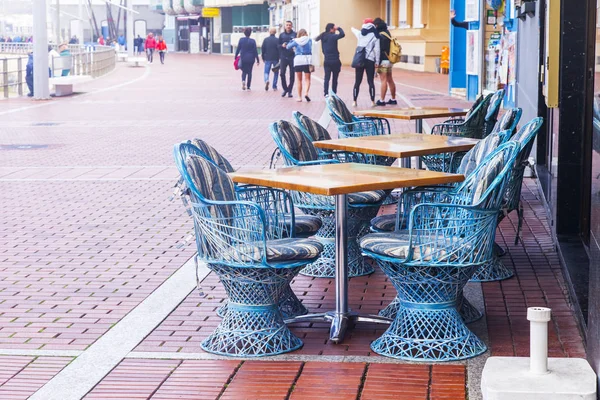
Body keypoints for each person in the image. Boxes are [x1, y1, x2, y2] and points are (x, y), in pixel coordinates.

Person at [351, 18, 380, 107]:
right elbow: (377, 50)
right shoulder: (375, 36)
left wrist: (352, 27)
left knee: (357, 81)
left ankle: (354, 101)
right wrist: (377, 62)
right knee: (370, 81)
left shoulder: (360, 34)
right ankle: (372, 101)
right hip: (370, 60)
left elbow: (353, 29)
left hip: (360, 60)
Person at [315, 23, 345, 97]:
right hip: (335, 60)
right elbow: (342, 34)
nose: (335, 30)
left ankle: (326, 93)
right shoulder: (333, 36)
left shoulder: (323, 36)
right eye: (334, 29)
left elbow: (318, 42)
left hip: (327, 60)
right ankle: (334, 93)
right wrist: (339, 28)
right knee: (335, 78)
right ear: (331, 29)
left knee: (327, 78)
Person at [374, 18, 397, 106]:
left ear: (376, 25)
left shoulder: (380, 36)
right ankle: (393, 99)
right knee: (390, 79)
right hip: (389, 60)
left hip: (383, 61)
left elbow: (379, 50)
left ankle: (382, 100)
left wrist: (377, 63)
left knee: (383, 80)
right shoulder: (387, 33)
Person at [285, 29, 312, 102]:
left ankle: (299, 97)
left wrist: (292, 40)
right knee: (307, 79)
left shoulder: (296, 41)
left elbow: (288, 47)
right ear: (306, 33)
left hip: (298, 60)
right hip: (307, 60)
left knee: (299, 80)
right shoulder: (309, 40)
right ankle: (306, 93)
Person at [278, 21, 296, 98]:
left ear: (291, 26)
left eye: (290, 25)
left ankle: (290, 90)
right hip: (283, 56)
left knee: (292, 74)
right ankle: (285, 89)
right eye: (287, 25)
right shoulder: (281, 35)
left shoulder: (295, 34)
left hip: (292, 57)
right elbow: (277, 45)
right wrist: (282, 45)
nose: (288, 26)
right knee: (282, 73)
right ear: (285, 26)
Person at [261, 27, 279, 91]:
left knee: (266, 71)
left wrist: (263, 57)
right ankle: (274, 86)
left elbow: (263, 49)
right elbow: (279, 49)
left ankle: (266, 80)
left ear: (269, 32)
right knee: (276, 72)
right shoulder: (277, 40)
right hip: (275, 58)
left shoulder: (266, 40)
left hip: (267, 58)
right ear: (275, 32)